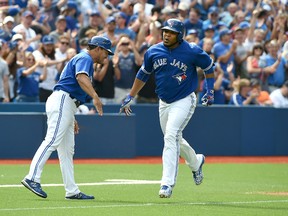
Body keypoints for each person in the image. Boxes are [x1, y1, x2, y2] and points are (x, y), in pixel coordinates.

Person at [119, 19, 215, 198]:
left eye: (171, 32)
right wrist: (131, 95)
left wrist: (210, 90)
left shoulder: (192, 50)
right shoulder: (153, 51)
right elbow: (143, 74)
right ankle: (196, 162)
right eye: (165, 31)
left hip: (184, 99)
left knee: (171, 136)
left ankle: (167, 184)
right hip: (163, 101)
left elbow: (209, 67)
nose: (166, 34)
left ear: (179, 35)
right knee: (174, 138)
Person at [21, 36, 114, 199]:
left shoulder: (82, 58)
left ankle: (72, 190)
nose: (107, 55)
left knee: (66, 151)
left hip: (67, 103)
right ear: (98, 49)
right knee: (52, 140)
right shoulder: (85, 57)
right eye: (106, 51)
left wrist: (71, 116)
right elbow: (80, 77)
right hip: (63, 100)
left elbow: (73, 85)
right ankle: (32, 177)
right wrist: (95, 96)